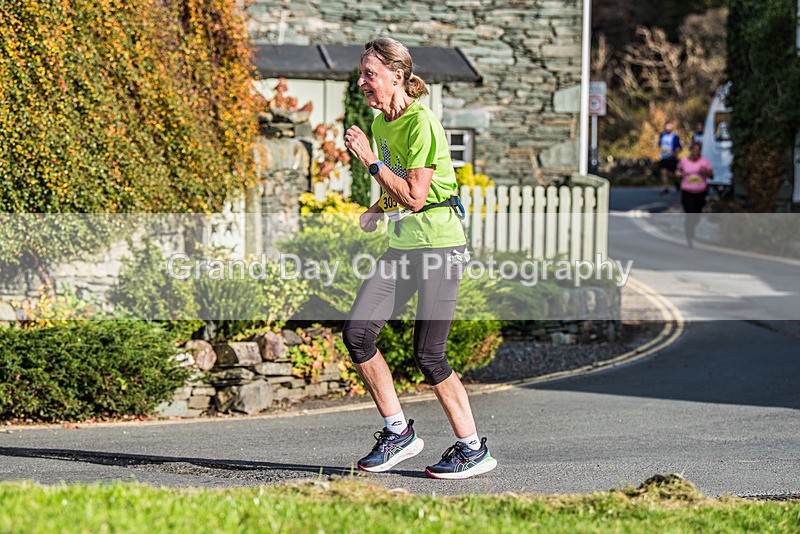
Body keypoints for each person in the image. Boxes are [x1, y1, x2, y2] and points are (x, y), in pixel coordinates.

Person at [342, 37, 497, 480]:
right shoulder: (381, 125)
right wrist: (375, 210)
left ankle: (471, 449)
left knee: (429, 355)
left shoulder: (420, 123)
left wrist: (371, 162)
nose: (362, 82)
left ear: (396, 75)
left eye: (369, 74)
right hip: (403, 247)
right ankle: (398, 434)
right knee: (357, 333)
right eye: (362, 74)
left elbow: (414, 196)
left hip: (439, 247)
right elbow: (396, 192)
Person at [675, 141, 714, 248]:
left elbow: (712, 175)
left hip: (700, 192)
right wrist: (679, 173)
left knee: (696, 215)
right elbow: (678, 171)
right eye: (694, 150)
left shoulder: (704, 162)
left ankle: (691, 228)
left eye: (698, 151)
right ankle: (689, 235)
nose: (695, 153)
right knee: (690, 213)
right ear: (690, 150)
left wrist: (706, 171)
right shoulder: (684, 161)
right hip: (687, 192)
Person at [657, 121, 682, 195]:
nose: (668, 128)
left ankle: (676, 182)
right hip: (664, 157)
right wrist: (661, 147)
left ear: (672, 128)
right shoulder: (662, 135)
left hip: (672, 158)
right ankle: (666, 189)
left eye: (669, 127)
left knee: (674, 174)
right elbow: (659, 144)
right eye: (667, 127)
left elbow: (679, 147)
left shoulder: (675, 136)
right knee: (663, 172)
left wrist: (673, 153)